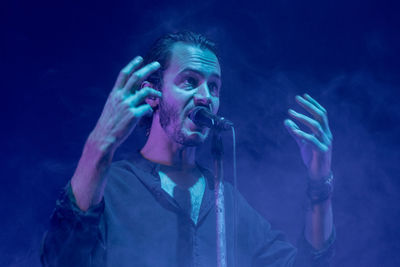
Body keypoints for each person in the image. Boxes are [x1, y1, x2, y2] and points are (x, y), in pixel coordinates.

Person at [40, 31, 335, 267]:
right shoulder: (113, 187)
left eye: (215, 86)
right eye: (190, 82)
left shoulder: (227, 201)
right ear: (153, 93)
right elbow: (60, 260)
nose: (206, 96)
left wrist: (319, 181)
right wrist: (98, 145)